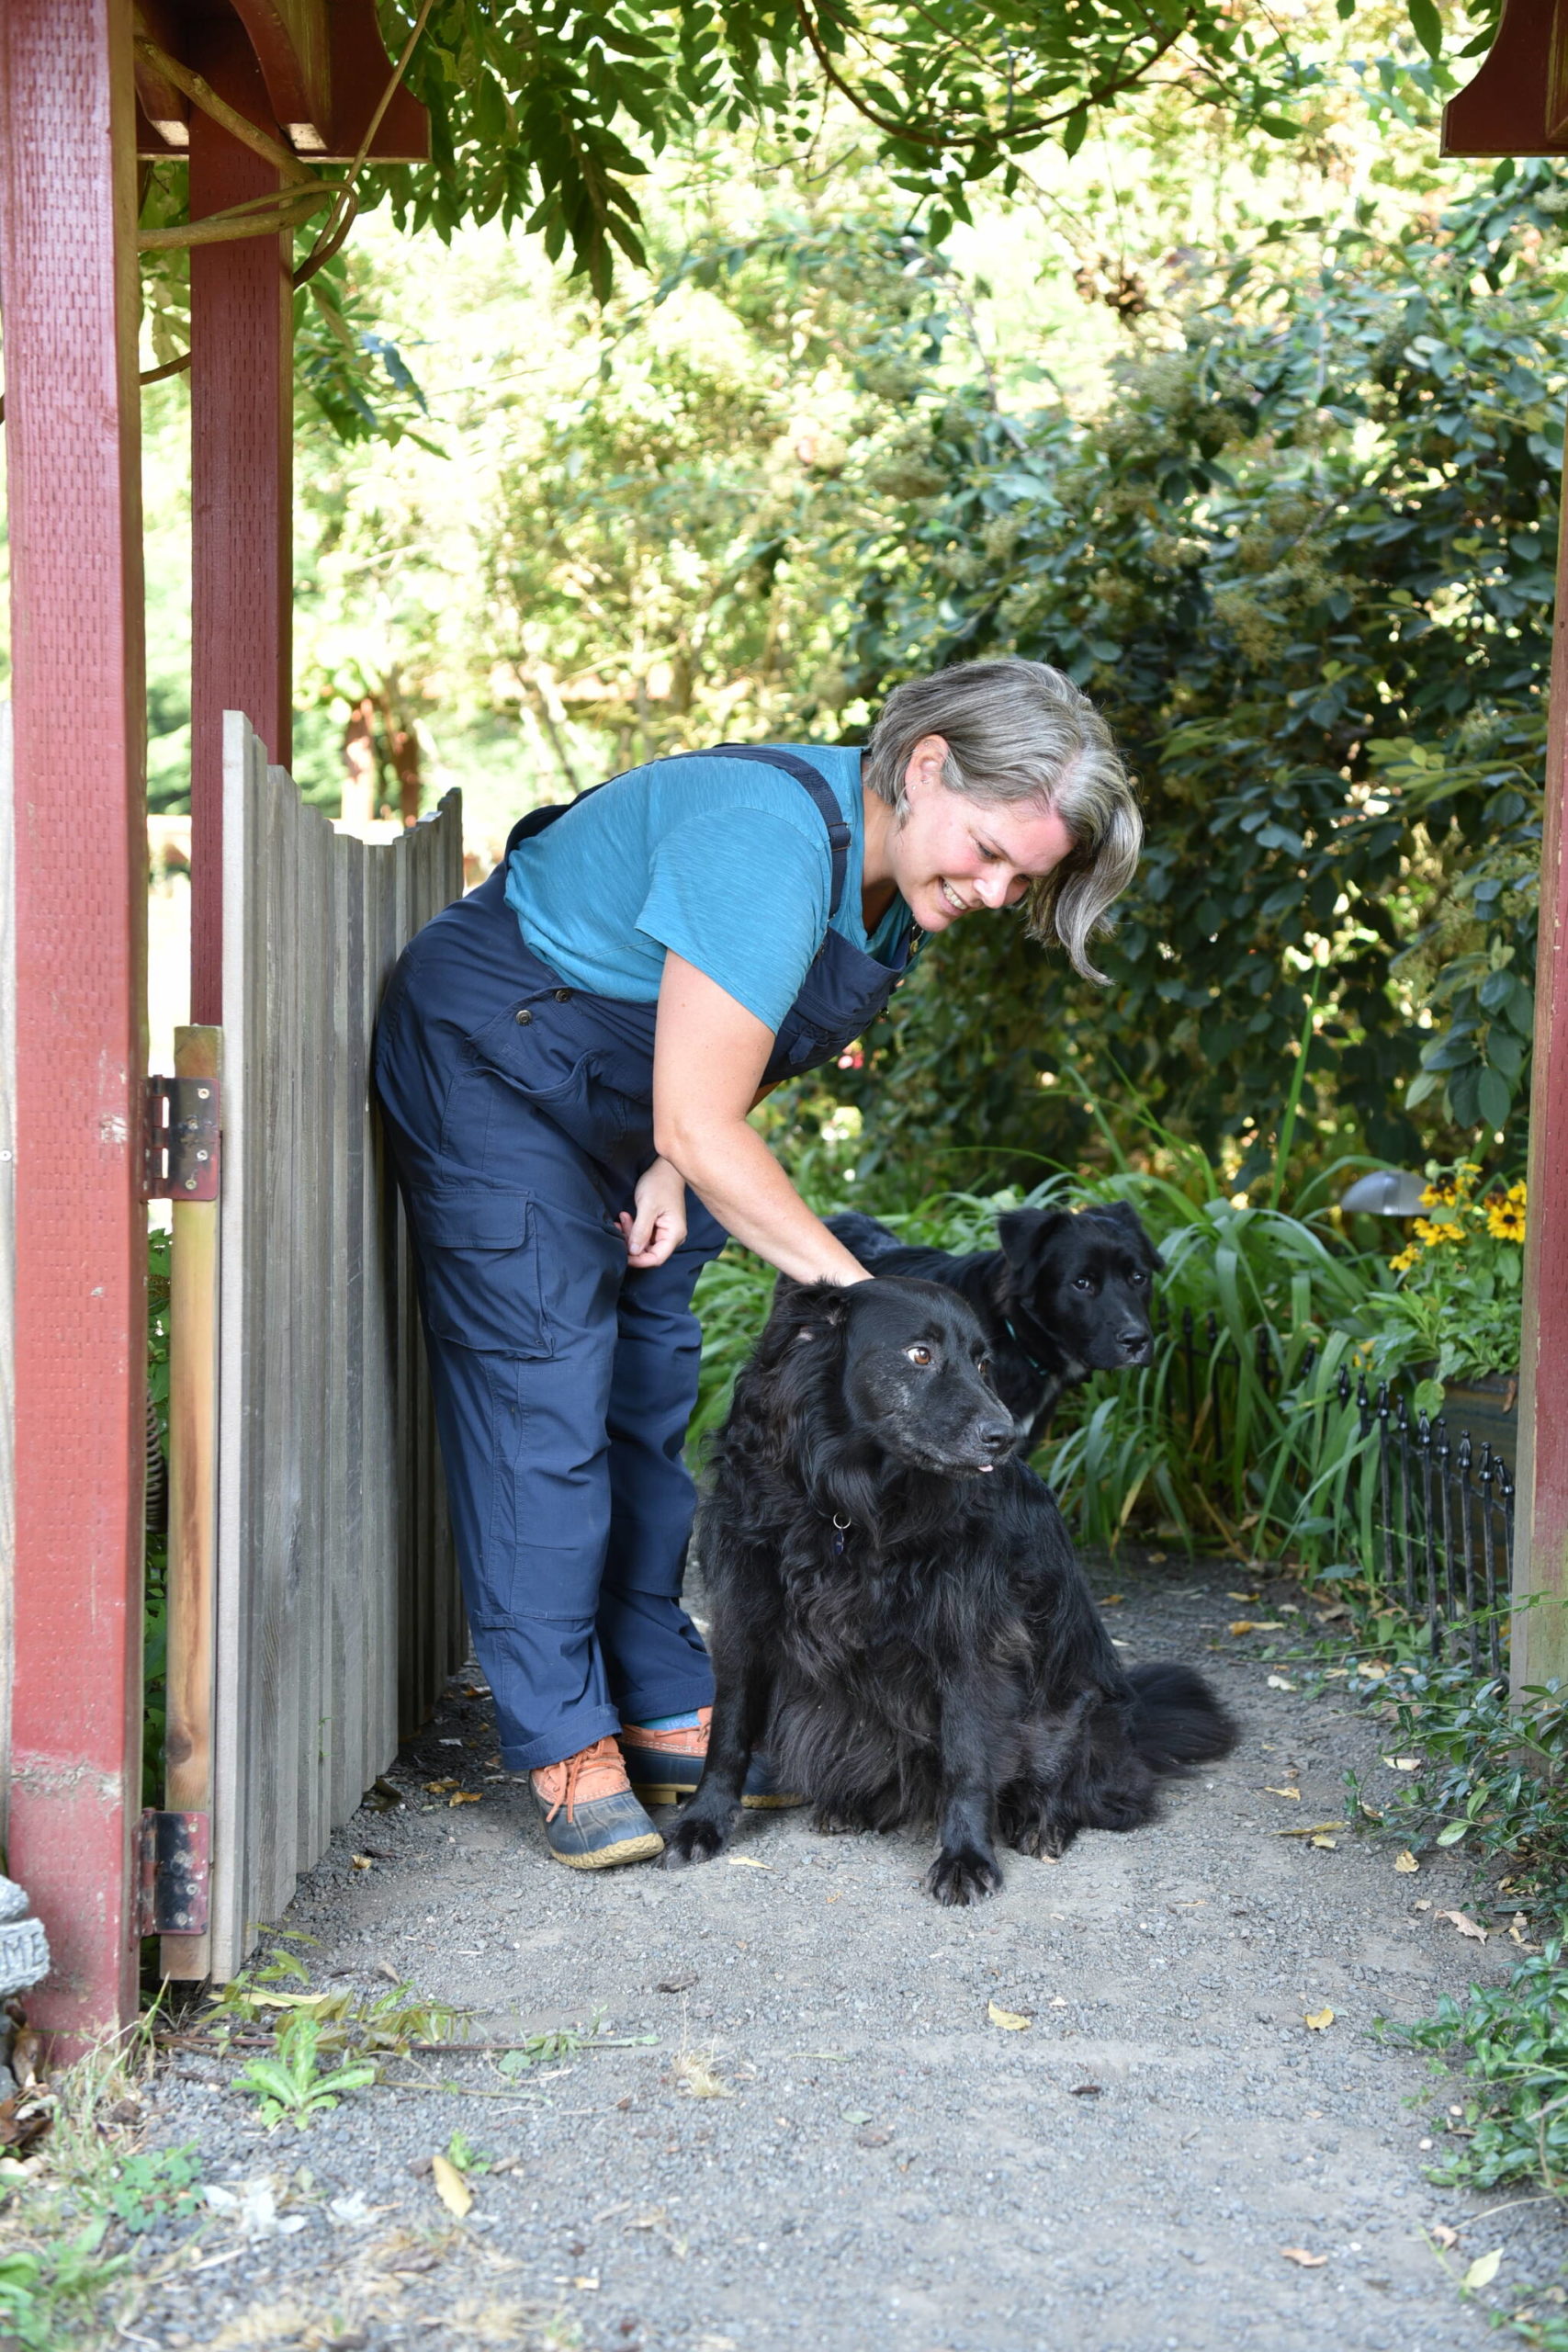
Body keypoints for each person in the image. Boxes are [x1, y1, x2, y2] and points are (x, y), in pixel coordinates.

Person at [373, 657, 1141, 1870]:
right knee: (545, 1394)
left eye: (1019, 878)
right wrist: (862, 1298)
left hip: (632, 1106)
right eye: (989, 852)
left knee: (649, 1386)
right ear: (927, 765)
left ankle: (659, 1692)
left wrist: (675, 1157)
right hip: (496, 1061)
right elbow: (703, 1103)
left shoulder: (889, 890)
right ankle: (562, 1739)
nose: (995, 892)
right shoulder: (768, 840)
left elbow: (734, 1047)